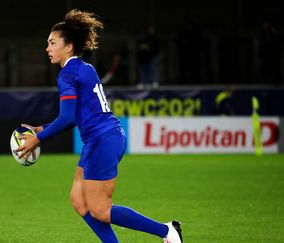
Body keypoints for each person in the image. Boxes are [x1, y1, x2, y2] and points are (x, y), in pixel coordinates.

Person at [15, 9, 183, 243]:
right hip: (104, 138)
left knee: (101, 210)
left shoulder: (67, 75)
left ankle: (167, 231)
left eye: (52, 43)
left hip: (102, 140)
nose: (47, 48)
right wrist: (40, 130)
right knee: (78, 199)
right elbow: (76, 115)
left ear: (69, 46)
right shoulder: (85, 68)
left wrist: (37, 139)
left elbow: (67, 119)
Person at [259, 18, 282, 85]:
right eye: (264, 24)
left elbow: (276, 41)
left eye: (266, 24)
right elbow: (262, 44)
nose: (265, 25)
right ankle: (267, 80)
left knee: (274, 68)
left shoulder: (272, 31)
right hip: (266, 55)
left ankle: (276, 80)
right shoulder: (263, 32)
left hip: (273, 54)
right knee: (266, 68)